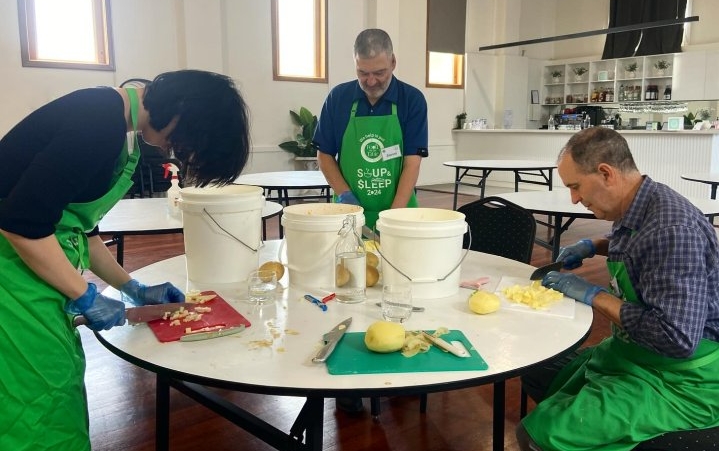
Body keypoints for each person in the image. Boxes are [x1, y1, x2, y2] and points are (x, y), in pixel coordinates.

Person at [0, 70, 251, 450]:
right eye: (185, 142)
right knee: (40, 403)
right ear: (179, 111)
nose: (174, 151)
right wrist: (84, 294)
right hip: (12, 274)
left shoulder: (119, 131)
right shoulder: (97, 121)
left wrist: (129, 286)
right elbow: (21, 225)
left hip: (34, 270)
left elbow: (80, 228)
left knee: (57, 387)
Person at [516, 127, 719, 451]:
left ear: (605, 173)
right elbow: (637, 243)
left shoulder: (673, 230)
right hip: (634, 356)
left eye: (575, 187)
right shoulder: (640, 203)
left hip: (679, 380)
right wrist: (594, 246)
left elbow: (675, 338)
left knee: (541, 435)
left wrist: (593, 295)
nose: (574, 199)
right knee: (549, 378)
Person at [313, 28, 429, 230]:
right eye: (363, 73)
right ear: (355, 64)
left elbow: (412, 164)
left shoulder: (411, 100)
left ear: (393, 62)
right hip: (348, 213)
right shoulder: (338, 99)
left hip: (399, 211)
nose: (371, 81)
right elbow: (324, 155)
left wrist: (391, 220)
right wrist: (345, 196)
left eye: (379, 73)